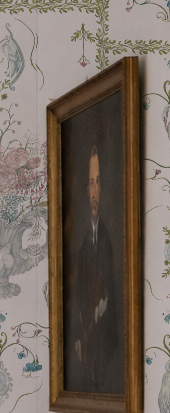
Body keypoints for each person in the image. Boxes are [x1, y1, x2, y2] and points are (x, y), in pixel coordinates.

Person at [73, 141, 119, 392]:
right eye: (91, 182)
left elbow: (109, 296)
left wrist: (93, 324)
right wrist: (81, 332)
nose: (94, 189)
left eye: (98, 181)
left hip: (103, 342)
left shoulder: (107, 238)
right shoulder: (83, 243)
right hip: (86, 342)